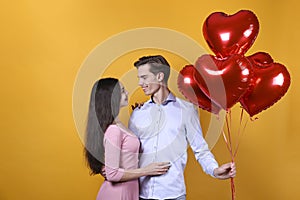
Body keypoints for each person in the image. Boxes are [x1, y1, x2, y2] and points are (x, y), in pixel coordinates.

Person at [128, 55, 236, 200]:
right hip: (141, 194)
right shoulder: (138, 113)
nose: (140, 83)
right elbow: (129, 153)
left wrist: (214, 170)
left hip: (173, 194)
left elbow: (201, 150)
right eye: (139, 78)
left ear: (160, 76)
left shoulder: (186, 110)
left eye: (144, 77)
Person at [84, 78, 171, 200]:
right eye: (123, 91)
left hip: (129, 191)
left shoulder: (118, 126)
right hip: (118, 194)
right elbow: (112, 174)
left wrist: (141, 113)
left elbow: (129, 155)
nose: (127, 93)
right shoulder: (114, 130)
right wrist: (146, 170)